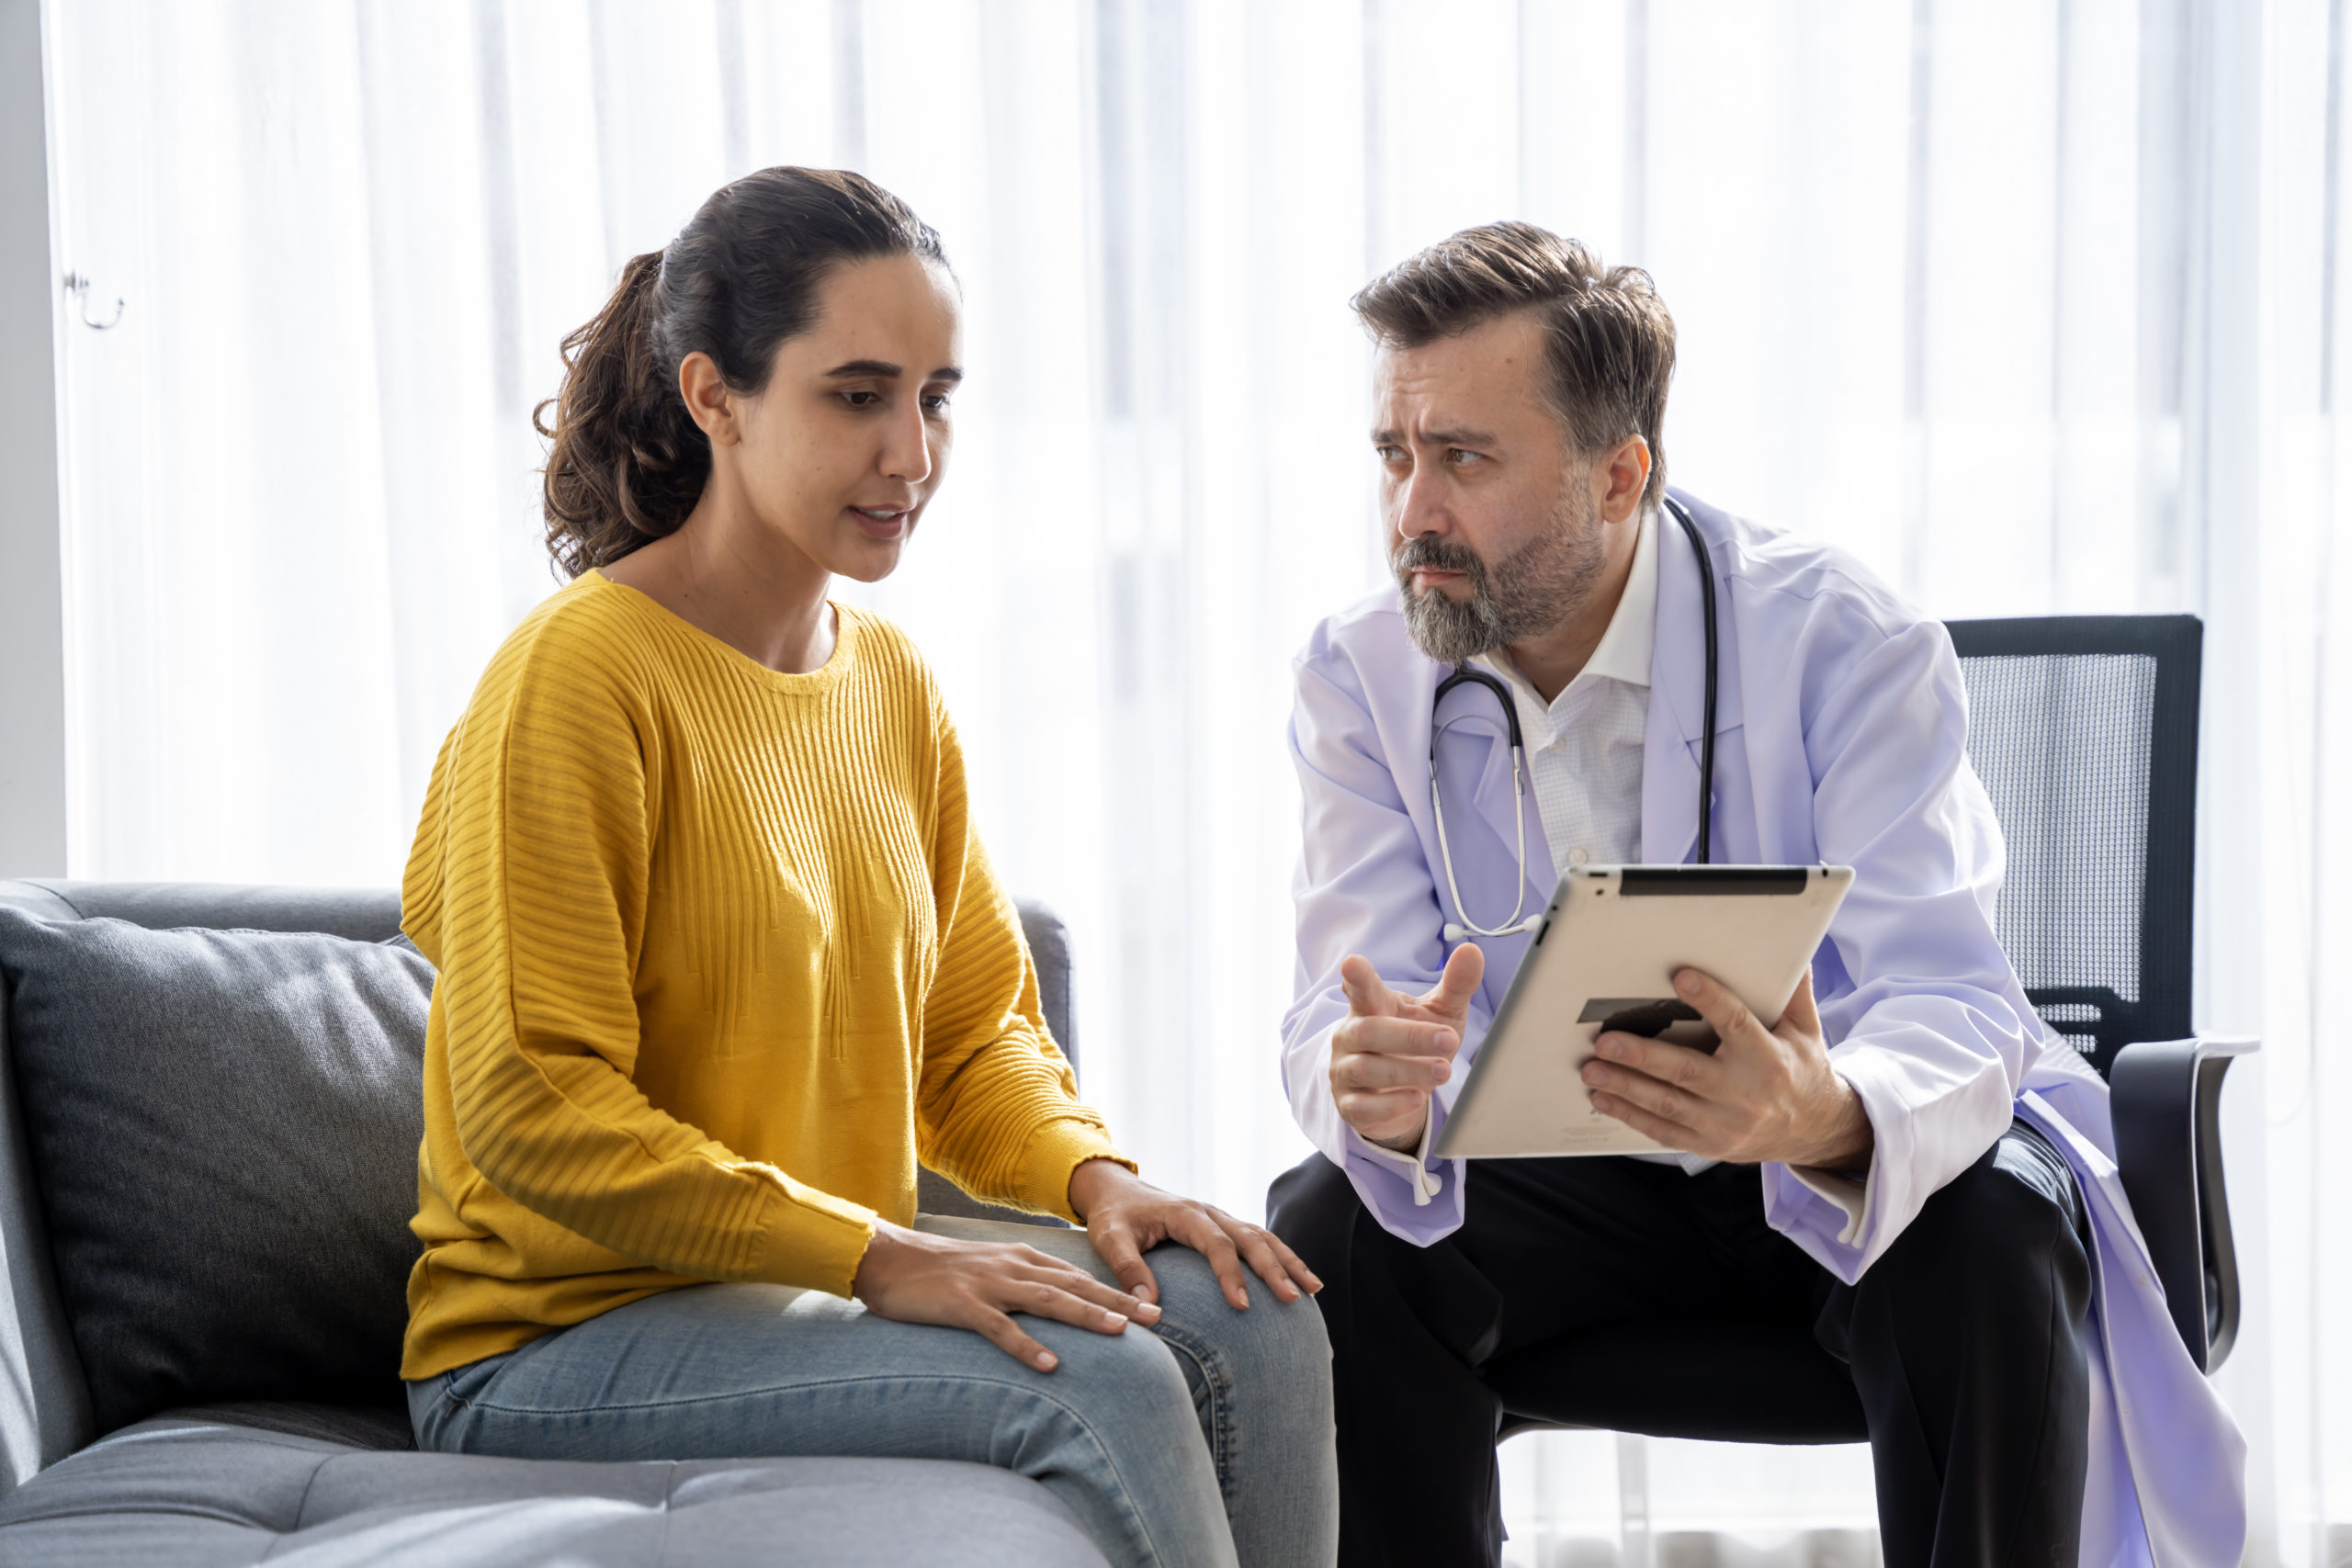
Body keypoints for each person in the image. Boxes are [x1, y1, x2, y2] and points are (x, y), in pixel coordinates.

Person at [1264, 222, 2244, 1568]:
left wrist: (1825, 1112)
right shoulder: (1361, 674)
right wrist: (1367, 1079)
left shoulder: (1840, 638)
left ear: (1621, 475)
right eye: (1395, 454)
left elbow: (1952, 998)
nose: (1411, 514)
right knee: (1335, 1233)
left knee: (1998, 1227)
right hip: (1577, 1190)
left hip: (1836, 1180)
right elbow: (1349, 996)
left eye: (1465, 460)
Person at [397, 166, 1336, 1568]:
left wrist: (1094, 1180)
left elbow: (973, 1040)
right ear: (715, 395)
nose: (913, 454)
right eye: (857, 396)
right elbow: (539, 1107)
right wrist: (881, 1256)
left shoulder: (890, 683)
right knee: (1107, 1382)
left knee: (1254, 1311)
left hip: (788, 1290)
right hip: (552, 1343)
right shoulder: (577, 679)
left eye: (936, 395)